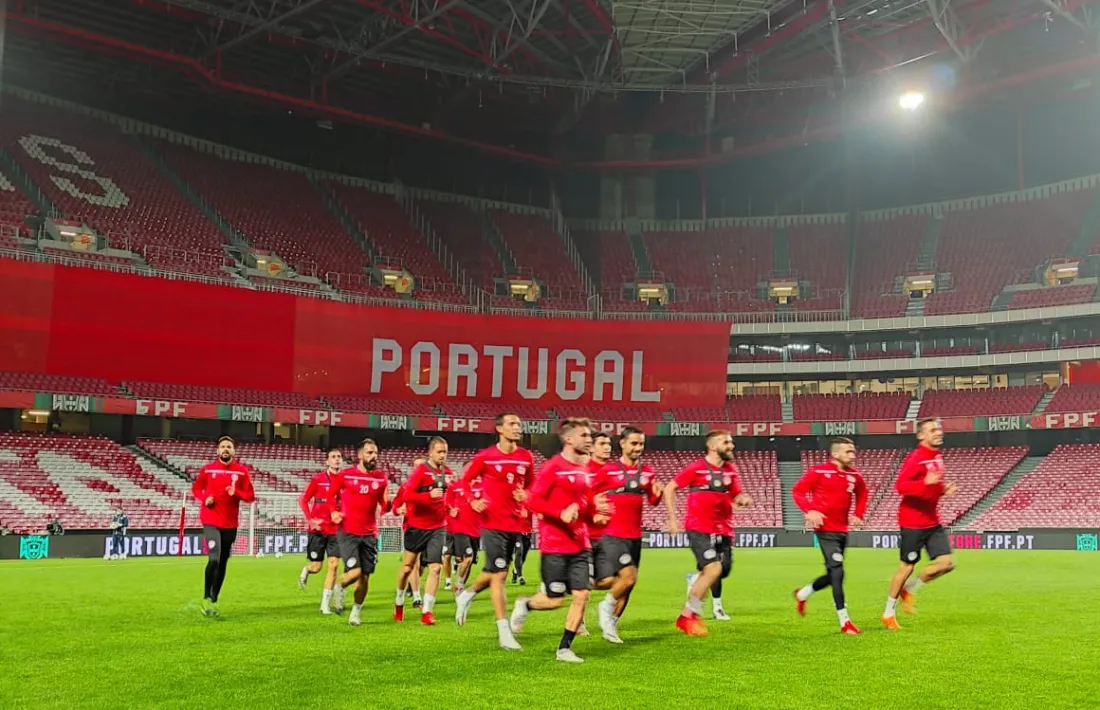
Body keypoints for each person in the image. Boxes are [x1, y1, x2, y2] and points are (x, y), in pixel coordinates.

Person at [509, 418, 610, 663]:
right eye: (584, 436)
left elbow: (582, 508)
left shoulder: (584, 471)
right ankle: (526, 605)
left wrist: (595, 514)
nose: (589, 440)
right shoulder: (553, 467)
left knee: (582, 595)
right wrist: (560, 513)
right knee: (554, 600)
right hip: (554, 544)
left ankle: (564, 648)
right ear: (569, 439)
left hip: (580, 544)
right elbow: (532, 500)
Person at [454, 413, 534, 651]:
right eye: (512, 424)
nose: (517, 427)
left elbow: (532, 485)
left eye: (519, 424)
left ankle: (466, 594)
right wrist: (472, 501)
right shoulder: (486, 457)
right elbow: (465, 482)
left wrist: (526, 498)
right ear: (500, 429)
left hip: (515, 524)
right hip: (491, 524)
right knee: (499, 576)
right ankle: (504, 631)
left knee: (493, 571)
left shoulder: (526, 457)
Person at [663, 430, 753, 636]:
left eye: (731, 442)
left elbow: (736, 495)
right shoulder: (697, 468)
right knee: (713, 570)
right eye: (726, 442)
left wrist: (742, 499)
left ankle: (695, 580)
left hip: (724, 529)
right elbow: (670, 488)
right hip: (699, 528)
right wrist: (672, 519)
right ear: (712, 446)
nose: (731, 445)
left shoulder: (731, 470)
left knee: (723, 570)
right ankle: (687, 617)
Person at [883, 417, 957, 629]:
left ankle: (909, 590)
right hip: (913, 522)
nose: (938, 432)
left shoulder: (937, 456)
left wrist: (942, 490)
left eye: (939, 429)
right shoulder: (916, 457)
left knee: (947, 564)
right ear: (921, 435)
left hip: (932, 521)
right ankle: (888, 613)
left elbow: (931, 487)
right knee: (906, 567)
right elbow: (901, 486)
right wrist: (924, 483)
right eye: (933, 430)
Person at [590, 426, 662, 644]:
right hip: (612, 534)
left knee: (627, 585)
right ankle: (605, 606)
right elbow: (588, 493)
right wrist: (594, 509)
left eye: (641, 444)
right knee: (629, 576)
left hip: (634, 536)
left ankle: (611, 624)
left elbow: (652, 500)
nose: (638, 448)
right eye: (634, 443)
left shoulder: (648, 471)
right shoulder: (608, 470)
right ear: (622, 443)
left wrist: (657, 495)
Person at [791, 437, 867, 635]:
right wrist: (809, 510)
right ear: (835, 454)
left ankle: (802, 593)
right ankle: (845, 622)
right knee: (838, 573)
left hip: (842, 530)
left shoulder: (855, 475)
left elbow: (863, 493)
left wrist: (858, 514)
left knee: (834, 574)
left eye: (853, 451)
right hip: (825, 530)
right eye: (848, 452)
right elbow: (798, 492)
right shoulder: (818, 471)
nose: (853, 455)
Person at [328, 438, 391, 627]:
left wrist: (391, 504)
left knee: (365, 576)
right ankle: (340, 587)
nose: (374, 456)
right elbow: (331, 494)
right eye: (370, 453)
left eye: (375, 453)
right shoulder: (345, 475)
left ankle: (355, 612)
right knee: (355, 572)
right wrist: (333, 511)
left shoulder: (381, 478)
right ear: (360, 455)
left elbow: (384, 505)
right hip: (348, 531)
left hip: (370, 534)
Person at [191, 436, 255, 617]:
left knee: (223, 561)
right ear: (218, 451)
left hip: (230, 523)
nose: (225, 449)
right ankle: (205, 597)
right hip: (211, 520)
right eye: (222, 447)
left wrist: (237, 493)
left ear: (233, 451)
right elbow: (196, 489)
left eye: (229, 447)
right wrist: (206, 499)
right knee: (214, 558)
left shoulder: (241, 472)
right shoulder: (208, 470)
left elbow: (250, 497)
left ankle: (214, 598)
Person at [396, 437, 452, 625]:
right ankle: (399, 600)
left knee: (435, 567)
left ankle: (427, 610)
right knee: (407, 568)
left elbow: (448, 496)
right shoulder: (421, 471)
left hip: (438, 527)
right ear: (430, 452)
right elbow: (407, 495)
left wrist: (450, 507)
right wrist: (428, 495)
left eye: (444, 452)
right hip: (417, 526)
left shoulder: (448, 473)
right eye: (439, 452)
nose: (442, 455)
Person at [297, 447, 344, 614]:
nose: (337, 459)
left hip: (336, 530)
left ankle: (325, 603)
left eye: (339, 457)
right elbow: (303, 500)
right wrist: (310, 519)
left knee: (334, 565)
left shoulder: (346, 481)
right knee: (316, 567)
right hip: (317, 530)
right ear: (327, 461)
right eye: (333, 457)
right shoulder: (318, 479)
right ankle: (306, 570)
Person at [445, 467, 483, 593]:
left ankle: (460, 587)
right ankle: (459, 585)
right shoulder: (454, 486)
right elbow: (447, 503)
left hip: (476, 530)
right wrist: (451, 510)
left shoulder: (482, 486)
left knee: (470, 562)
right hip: (460, 528)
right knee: (468, 558)